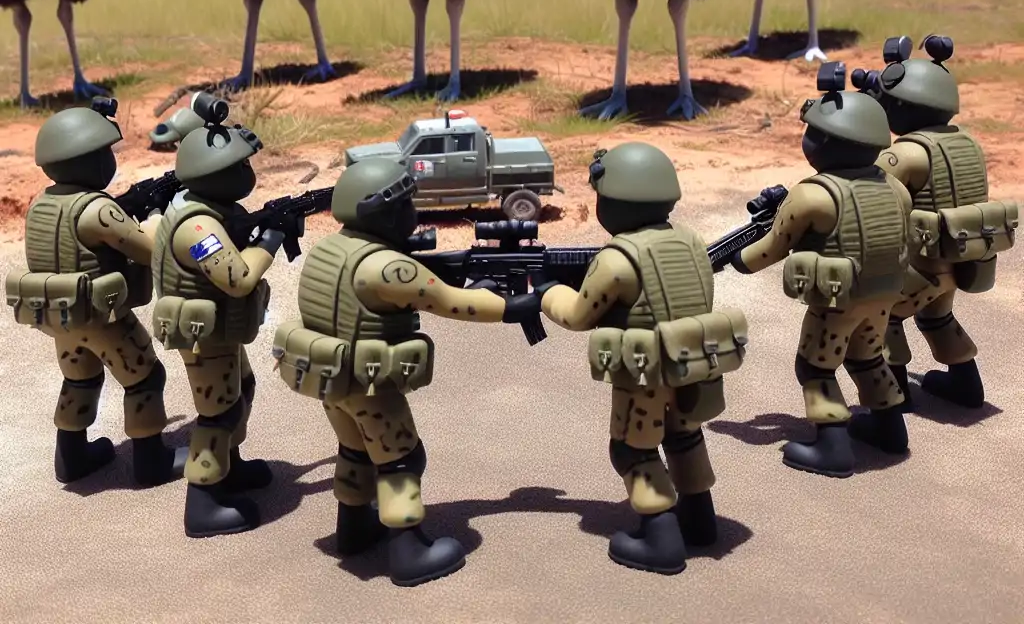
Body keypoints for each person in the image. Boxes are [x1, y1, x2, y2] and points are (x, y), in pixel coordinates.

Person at [273, 156, 539, 587]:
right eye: (407, 205)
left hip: (331, 380)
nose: (413, 213)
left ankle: (354, 528)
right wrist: (512, 305)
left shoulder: (327, 251)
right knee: (401, 460)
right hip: (372, 388)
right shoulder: (388, 268)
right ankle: (409, 551)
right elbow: (453, 303)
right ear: (386, 211)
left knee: (356, 452)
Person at [538, 141, 748, 576]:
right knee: (683, 437)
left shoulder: (616, 259)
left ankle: (659, 537)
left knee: (632, 449)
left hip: (644, 374)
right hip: (690, 363)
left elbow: (578, 316)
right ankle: (700, 521)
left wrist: (547, 293)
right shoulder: (691, 241)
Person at [730, 62, 913, 477]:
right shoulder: (895, 187)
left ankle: (833, 446)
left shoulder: (812, 195)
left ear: (827, 141)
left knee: (815, 366)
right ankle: (891, 429)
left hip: (837, 304)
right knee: (867, 357)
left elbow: (769, 250)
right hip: (884, 296)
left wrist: (737, 261)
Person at [5, 97, 184, 487]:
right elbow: (148, 249)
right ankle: (151, 460)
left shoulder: (39, 204)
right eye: (104, 152)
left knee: (81, 381)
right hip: (105, 320)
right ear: (89, 159)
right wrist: (157, 216)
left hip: (61, 318)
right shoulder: (99, 210)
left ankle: (71, 457)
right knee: (145, 378)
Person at [150, 93, 283, 538]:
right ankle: (204, 501)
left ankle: (229, 465)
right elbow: (238, 278)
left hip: (221, 330)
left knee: (241, 390)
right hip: (203, 337)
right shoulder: (198, 226)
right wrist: (269, 241)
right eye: (238, 165)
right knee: (218, 413)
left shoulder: (208, 207)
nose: (247, 170)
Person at [872, 34, 1016, 410]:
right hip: (962, 259)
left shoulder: (905, 154)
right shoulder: (967, 141)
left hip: (920, 265)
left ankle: (894, 398)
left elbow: (870, 201)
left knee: (882, 318)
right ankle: (966, 386)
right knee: (937, 318)